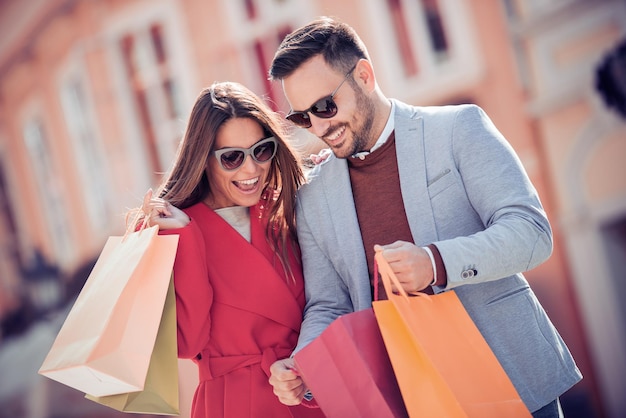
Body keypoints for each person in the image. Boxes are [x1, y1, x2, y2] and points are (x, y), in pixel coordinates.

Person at [266, 17, 582, 418]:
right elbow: (329, 303)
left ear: (364, 76)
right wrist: (305, 363)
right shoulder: (312, 196)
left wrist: (434, 263)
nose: (319, 126)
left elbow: (531, 233)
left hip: (508, 380)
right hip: (406, 399)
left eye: (325, 106)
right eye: (303, 118)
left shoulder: (458, 128)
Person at [139, 81, 325, 418]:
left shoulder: (283, 208)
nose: (251, 169)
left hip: (310, 392)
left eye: (262, 151)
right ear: (204, 160)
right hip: (237, 403)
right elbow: (187, 343)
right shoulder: (176, 229)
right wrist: (185, 238)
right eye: (232, 158)